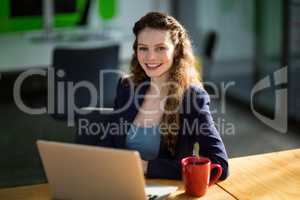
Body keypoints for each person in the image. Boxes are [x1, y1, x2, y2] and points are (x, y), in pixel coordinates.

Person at [111, 12, 229, 181]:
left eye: (160, 48)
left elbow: (220, 166)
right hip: (120, 185)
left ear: (176, 51)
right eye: (143, 48)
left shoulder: (192, 97)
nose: (150, 57)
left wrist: (147, 167)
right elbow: (110, 143)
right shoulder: (127, 87)